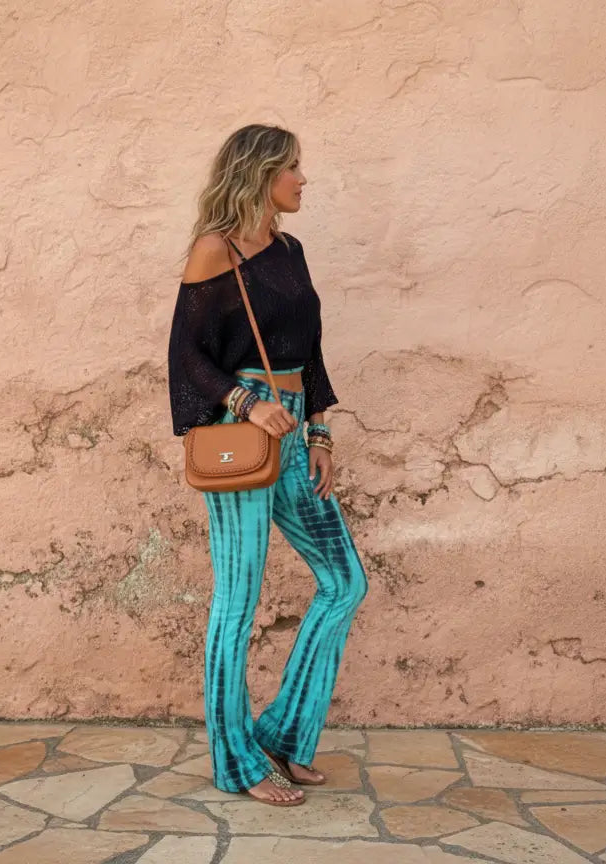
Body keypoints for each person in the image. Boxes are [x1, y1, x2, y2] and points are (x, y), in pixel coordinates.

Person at [166, 124, 369, 807]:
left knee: (344, 581)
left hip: (293, 436)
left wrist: (320, 433)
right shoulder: (212, 251)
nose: (303, 180)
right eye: (293, 169)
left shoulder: (290, 249)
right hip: (240, 438)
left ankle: (281, 733)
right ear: (259, 175)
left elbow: (309, 353)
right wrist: (248, 402)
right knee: (238, 601)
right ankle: (233, 759)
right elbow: (187, 355)